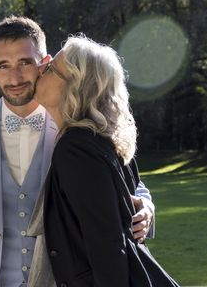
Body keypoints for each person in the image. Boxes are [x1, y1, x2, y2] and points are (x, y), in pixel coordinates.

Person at [0, 16, 155, 287]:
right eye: (3, 66)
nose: (15, 77)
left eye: (25, 63)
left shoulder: (76, 126)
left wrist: (146, 208)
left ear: (45, 64)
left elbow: (126, 177)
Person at [31, 35, 178, 286]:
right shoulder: (103, 138)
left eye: (52, 68)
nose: (41, 68)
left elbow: (107, 245)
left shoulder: (76, 148)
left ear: (73, 87)